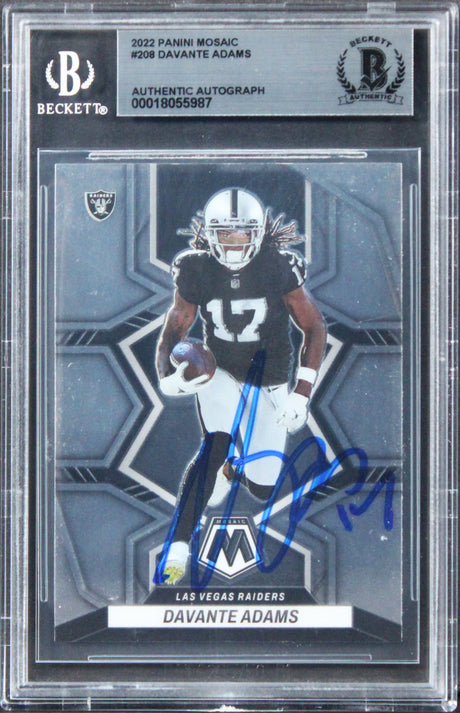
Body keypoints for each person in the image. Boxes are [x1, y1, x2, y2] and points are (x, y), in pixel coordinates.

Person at [155, 187, 327, 585]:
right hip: (220, 371)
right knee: (216, 441)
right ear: (210, 234)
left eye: (242, 234)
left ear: (259, 233)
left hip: (269, 379)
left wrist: (301, 393)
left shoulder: (278, 266)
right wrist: (167, 375)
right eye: (225, 234)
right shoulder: (195, 268)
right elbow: (176, 325)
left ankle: (232, 470)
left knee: (263, 487)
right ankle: (178, 546)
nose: (234, 244)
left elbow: (314, 326)